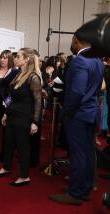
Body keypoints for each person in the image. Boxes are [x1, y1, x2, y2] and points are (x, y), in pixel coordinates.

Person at [49, 31, 104, 205]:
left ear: (77, 41)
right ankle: (84, 188)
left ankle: (75, 193)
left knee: (78, 154)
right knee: (87, 153)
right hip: (90, 112)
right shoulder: (97, 60)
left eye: (72, 41)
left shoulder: (79, 60)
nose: (71, 45)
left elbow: (77, 91)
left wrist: (67, 111)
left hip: (78, 115)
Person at [0, 48, 42, 186]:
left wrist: (35, 122)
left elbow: (38, 101)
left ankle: (24, 176)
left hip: (25, 117)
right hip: (12, 114)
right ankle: (6, 167)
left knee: (23, 147)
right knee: (8, 143)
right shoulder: (18, 74)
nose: (15, 58)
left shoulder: (33, 77)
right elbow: (11, 96)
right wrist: (6, 113)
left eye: (18, 56)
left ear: (26, 59)